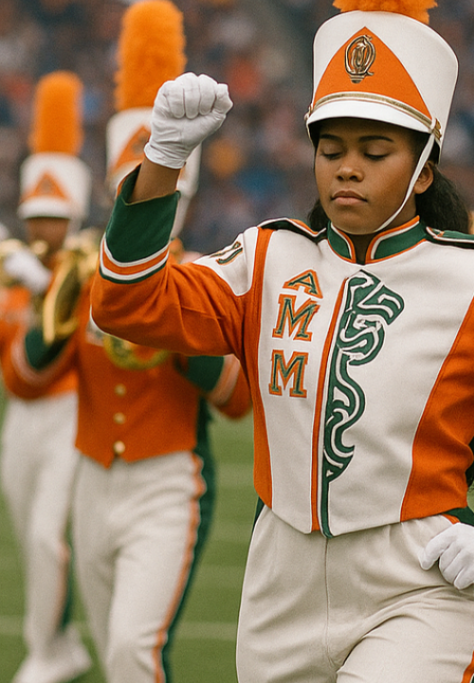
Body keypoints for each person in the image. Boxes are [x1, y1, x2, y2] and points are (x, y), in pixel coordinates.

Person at [89, 1, 474, 681]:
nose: (347, 168)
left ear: (424, 170)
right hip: (278, 576)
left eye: (375, 152)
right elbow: (125, 303)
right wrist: (161, 163)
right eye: (332, 150)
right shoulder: (267, 256)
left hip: (416, 576)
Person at [2, 4, 252, 682]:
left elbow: (235, 399)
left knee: (131, 652)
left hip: (167, 481)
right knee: (113, 647)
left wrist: (169, 323)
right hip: (90, 473)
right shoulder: (85, 273)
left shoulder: (206, 276)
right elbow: (23, 381)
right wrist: (49, 315)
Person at [0, 70, 92, 683]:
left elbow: (65, 353)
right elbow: (13, 368)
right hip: (21, 416)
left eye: (55, 217)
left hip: (69, 413)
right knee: (24, 528)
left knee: (45, 536)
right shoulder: (12, 273)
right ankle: (60, 640)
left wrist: (52, 293)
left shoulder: (84, 269)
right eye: (35, 216)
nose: (43, 229)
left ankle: (50, 651)